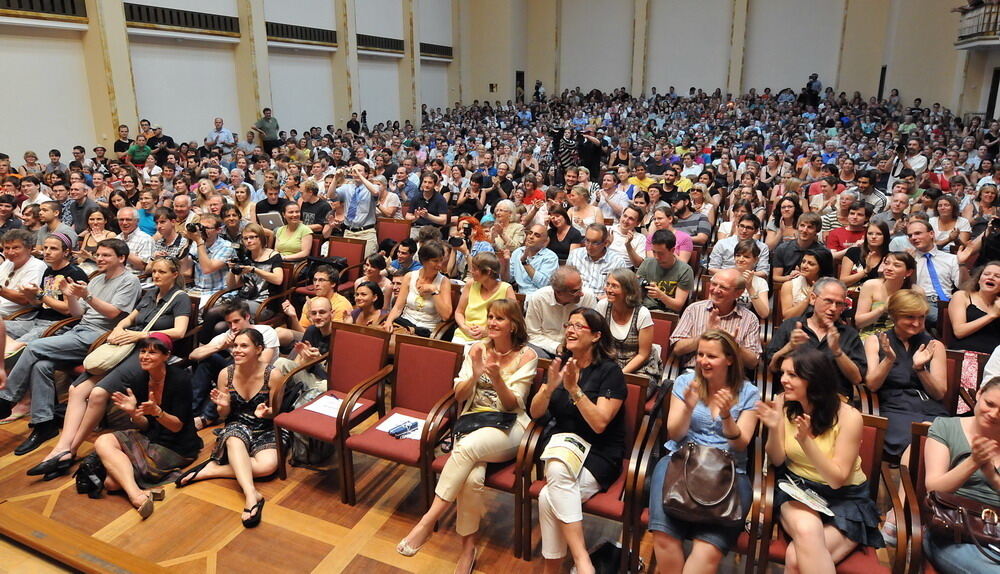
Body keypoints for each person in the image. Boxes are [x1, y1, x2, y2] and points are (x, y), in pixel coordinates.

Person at [396, 300, 537, 572]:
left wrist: (496, 378)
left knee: (466, 449)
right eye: (490, 317)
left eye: (500, 319)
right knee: (471, 479)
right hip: (473, 420)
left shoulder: (527, 356)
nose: (492, 323)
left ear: (514, 325)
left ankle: (428, 522)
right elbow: (459, 396)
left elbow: (512, 405)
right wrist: (474, 373)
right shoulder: (476, 349)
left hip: (510, 426)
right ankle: (468, 550)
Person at [30, 256, 191, 475]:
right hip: (123, 347)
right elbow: (128, 319)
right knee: (75, 389)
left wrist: (138, 335)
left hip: (145, 351)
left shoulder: (179, 298)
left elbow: (179, 332)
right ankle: (61, 448)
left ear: (174, 274)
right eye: (154, 271)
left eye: (162, 272)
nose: (156, 275)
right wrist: (119, 329)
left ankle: (71, 450)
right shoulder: (150, 294)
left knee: (96, 394)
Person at [0, 239, 141, 455]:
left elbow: (114, 314)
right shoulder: (96, 279)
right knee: (42, 365)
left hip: (101, 337)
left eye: (106, 255)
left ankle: (7, 398)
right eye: (98, 254)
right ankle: (43, 424)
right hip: (80, 330)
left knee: (35, 347)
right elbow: (77, 313)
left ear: (121, 258)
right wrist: (70, 295)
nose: (99, 259)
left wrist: (87, 296)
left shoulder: (129, 281)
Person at [757, 348, 884, 572]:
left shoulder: (849, 417)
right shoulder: (784, 404)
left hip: (845, 497)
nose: (783, 380)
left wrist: (807, 442)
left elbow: (837, 479)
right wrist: (775, 427)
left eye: (792, 375)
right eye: (783, 373)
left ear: (814, 379)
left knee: (796, 560)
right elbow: (777, 460)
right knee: (807, 530)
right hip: (798, 489)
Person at [647, 330, 759, 574]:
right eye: (700, 354)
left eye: (711, 356)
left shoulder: (749, 392)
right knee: (665, 538)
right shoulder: (686, 383)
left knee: (706, 551)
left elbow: (741, 444)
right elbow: (674, 434)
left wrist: (727, 416)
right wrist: (687, 408)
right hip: (681, 460)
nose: (703, 361)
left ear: (730, 359)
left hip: (728, 471)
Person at [528, 308, 627, 574]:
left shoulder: (610, 373)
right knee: (558, 468)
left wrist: (574, 389)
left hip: (599, 453)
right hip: (562, 447)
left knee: (550, 495)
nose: (570, 330)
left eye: (578, 326)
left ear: (596, 335)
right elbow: (535, 413)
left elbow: (599, 423)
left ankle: (564, 564)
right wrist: (550, 387)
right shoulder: (560, 364)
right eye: (568, 325)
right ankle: (581, 560)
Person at [174, 329, 279, 529]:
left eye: (243, 346)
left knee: (267, 467)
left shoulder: (272, 374)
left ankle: (213, 470)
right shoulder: (226, 374)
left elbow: (278, 411)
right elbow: (224, 416)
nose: (237, 351)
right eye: (235, 346)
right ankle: (251, 495)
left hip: (265, 427)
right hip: (237, 425)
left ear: (258, 349)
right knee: (233, 437)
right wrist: (223, 406)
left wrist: (267, 412)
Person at [91, 335, 202, 519]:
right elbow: (144, 425)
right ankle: (136, 495)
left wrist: (158, 412)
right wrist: (133, 412)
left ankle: (133, 487)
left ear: (166, 356)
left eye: (152, 352)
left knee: (111, 483)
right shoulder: (139, 380)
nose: (144, 356)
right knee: (103, 440)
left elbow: (176, 427)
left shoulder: (180, 380)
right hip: (151, 436)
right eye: (142, 351)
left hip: (177, 446)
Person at [918, 378, 1000, 572]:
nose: (994, 414)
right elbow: (934, 488)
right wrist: (974, 462)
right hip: (954, 528)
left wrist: (992, 477)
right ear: (979, 394)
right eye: (990, 404)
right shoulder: (946, 427)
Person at [864, 289, 949, 459]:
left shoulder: (934, 345)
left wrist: (920, 369)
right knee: (915, 444)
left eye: (921, 317)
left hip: (929, 407)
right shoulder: (875, 341)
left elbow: (939, 393)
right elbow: (872, 385)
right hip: (894, 408)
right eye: (910, 317)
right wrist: (888, 359)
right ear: (894, 316)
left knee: (946, 443)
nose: (917, 323)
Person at [768, 278, 865, 400]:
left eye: (839, 303)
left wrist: (838, 352)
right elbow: (772, 367)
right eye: (828, 301)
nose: (833, 308)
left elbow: (857, 379)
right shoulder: (791, 326)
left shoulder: (849, 334)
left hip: (833, 402)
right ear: (813, 298)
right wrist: (789, 347)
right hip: (794, 399)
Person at [5, 233, 88, 353]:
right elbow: (39, 304)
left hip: (59, 325)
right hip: (37, 321)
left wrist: (40, 295)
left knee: (14, 347)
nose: (47, 252)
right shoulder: (48, 270)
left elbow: (67, 309)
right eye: (45, 248)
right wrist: (30, 295)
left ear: (65, 252)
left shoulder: (75, 274)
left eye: (53, 248)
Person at [671, 268, 762, 370]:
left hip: (732, 378)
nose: (715, 290)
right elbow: (678, 349)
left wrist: (732, 345)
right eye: (714, 284)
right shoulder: (694, 309)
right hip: (695, 373)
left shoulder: (750, 319)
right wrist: (706, 335)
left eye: (723, 287)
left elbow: (753, 362)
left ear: (738, 293)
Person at [596, 269, 660, 382]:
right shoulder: (602, 306)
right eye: (608, 284)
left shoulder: (642, 313)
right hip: (610, 364)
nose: (608, 290)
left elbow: (643, 355)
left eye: (614, 286)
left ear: (628, 290)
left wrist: (620, 374)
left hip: (639, 369)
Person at [524, 265, 598, 360]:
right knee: (532, 355)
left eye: (581, 288)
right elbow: (532, 334)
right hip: (544, 347)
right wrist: (556, 347)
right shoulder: (539, 298)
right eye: (575, 291)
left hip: (577, 347)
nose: (581, 293)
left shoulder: (588, 297)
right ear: (558, 292)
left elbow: (592, 331)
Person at [384, 240, 453, 337]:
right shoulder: (409, 276)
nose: (440, 265)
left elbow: (446, 316)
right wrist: (389, 321)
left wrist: (434, 291)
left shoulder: (444, 281)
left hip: (425, 329)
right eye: (435, 261)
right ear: (424, 261)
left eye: (441, 260)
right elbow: (398, 308)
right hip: (404, 324)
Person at [854, 252, 922, 339]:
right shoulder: (870, 285)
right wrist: (882, 309)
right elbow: (859, 323)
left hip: (903, 338)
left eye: (896, 265)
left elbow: (920, 325)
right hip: (871, 336)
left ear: (908, 272)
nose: (889, 268)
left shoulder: (916, 291)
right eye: (887, 263)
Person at [452, 253, 515, 346]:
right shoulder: (470, 284)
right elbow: (459, 312)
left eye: (474, 269)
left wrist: (488, 331)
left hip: (492, 337)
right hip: (464, 334)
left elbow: (513, 320)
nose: (471, 271)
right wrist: (465, 328)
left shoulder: (506, 289)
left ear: (488, 272)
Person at [908, 220, 960, 325]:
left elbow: (962, 286)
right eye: (910, 235)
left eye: (918, 233)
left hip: (948, 302)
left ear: (931, 234)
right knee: (949, 320)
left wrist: (962, 265)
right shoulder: (908, 260)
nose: (913, 237)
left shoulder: (951, 259)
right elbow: (905, 287)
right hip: (921, 301)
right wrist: (910, 264)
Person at [948, 261, 1000, 354]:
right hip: (966, 353)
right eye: (986, 274)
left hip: (995, 358)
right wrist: (991, 315)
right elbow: (959, 332)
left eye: (997, 276)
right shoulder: (962, 296)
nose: (991, 277)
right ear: (979, 279)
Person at [637, 229, 693, 312]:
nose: (656, 257)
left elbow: (678, 306)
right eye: (654, 252)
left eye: (661, 253)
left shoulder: (685, 270)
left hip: (667, 314)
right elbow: (635, 292)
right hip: (644, 310)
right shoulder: (647, 263)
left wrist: (661, 296)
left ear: (672, 250)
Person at [566, 223, 627, 297]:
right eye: (587, 240)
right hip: (577, 299)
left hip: (602, 301)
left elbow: (621, 290)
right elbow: (566, 281)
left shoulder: (617, 261)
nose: (589, 246)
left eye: (595, 242)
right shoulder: (575, 255)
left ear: (605, 243)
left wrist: (599, 300)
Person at [772, 213, 832, 285]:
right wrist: (791, 277)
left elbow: (828, 279)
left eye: (810, 227)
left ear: (817, 230)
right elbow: (776, 277)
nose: (804, 230)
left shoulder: (824, 253)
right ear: (797, 226)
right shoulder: (782, 248)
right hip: (788, 287)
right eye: (802, 225)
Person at [0, 229, 47, 318]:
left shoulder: (36, 266)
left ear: (29, 248)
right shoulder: (8, 263)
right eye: (7, 248)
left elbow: (25, 299)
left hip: (14, 317)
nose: (10, 252)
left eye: (15, 248)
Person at [778, 249, 834, 322]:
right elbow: (788, 317)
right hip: (796, 327)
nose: (804, 266)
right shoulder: (789, 285)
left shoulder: (831, 286)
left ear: (822, 267)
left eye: (811, 264)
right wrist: (807, 299)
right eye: (803, 262)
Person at [840, 221, 889, 289]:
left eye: (879, 234)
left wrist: (881, 275)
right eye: (870, 233)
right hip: (851, 294)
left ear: (885, 236)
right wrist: (865, 271)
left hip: (877, 295)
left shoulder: (889, 257)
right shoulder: (853, 252)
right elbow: (842, 282)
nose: (873, 237)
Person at [733, 239, 771, 318]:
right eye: (738, 255)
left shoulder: (760, 282)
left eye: (746, 257)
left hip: (747, 322)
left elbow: (764, 314)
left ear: (756, 259)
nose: (740, 259)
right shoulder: (724, 276)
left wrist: (750, 288)